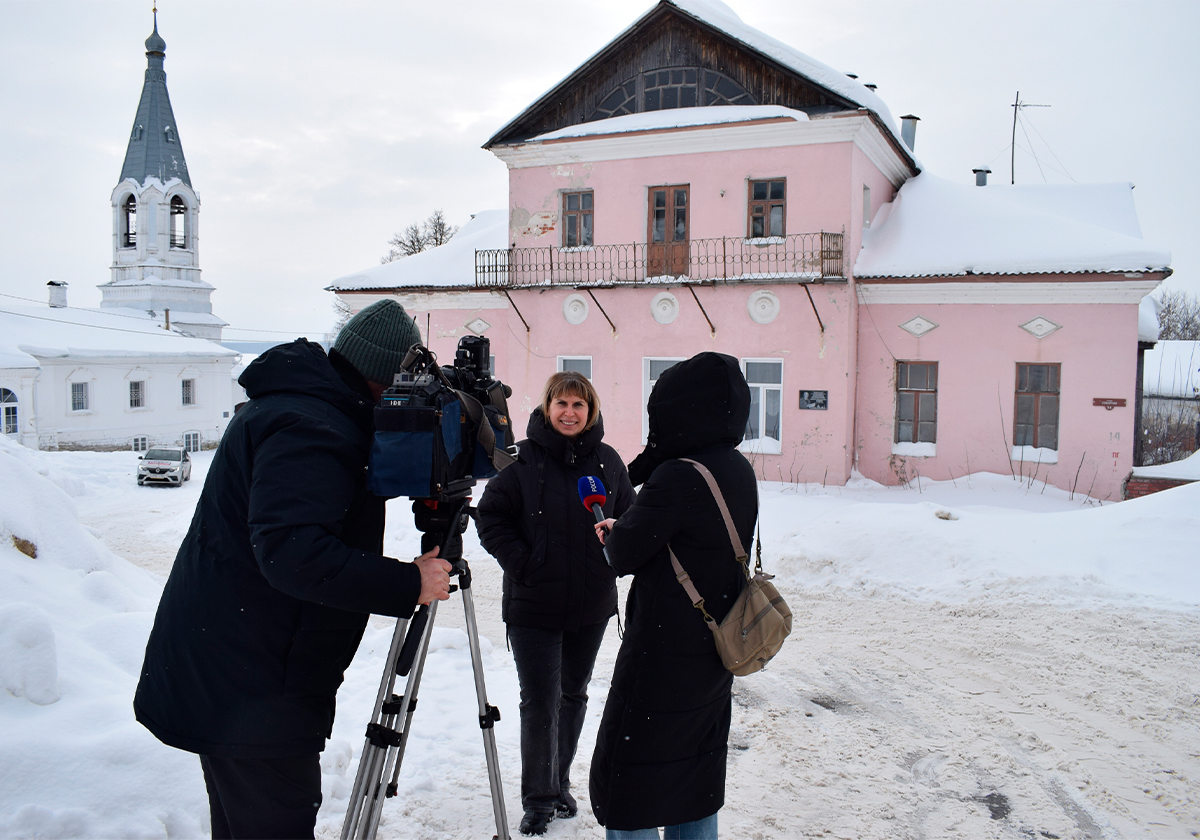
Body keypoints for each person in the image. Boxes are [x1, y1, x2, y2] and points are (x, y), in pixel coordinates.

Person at [133, 300, 454, 840]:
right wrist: (407, 583)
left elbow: (311, 514)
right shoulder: (312, 425)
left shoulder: (304, 409)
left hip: (237, 672)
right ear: (379, 380)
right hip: (252, 688)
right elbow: (293, 553)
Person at [589, 352, 757, 840]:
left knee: (632, 781)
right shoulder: (736, 468)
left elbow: (623, 554)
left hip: (660, 656)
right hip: (714, 647)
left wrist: (614, 532)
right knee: (694, 776)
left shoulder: (678, 474)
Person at [476, 371, 634, 836]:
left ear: (591, 411)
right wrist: (524, 564)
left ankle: (560, 780)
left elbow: (629, 517)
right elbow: (491, 517)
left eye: (579, 405)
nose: (569, 413)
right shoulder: (521, 461)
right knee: (540, 702)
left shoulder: (607, 462)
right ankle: (538, 798)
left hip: (591, 604)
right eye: (561, 404)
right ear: (547, 407)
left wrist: (615, 553)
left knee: (573, 694)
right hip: (534, 605)